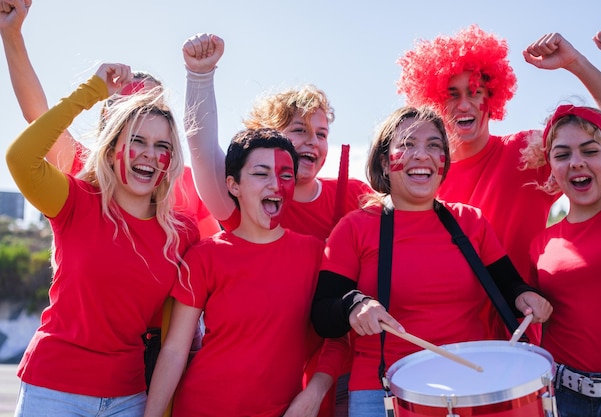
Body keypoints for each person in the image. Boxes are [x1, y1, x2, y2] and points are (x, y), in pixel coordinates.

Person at [310, 106, 553, 417]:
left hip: (472, 388)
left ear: (444, 162)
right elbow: (323, 312)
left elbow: (509, 285)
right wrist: (354, 305)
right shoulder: (354, 228)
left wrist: (526, 296)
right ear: (385, 161)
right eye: (408, 144)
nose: (422, 155)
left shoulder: (471, 221)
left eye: (434, 145)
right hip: (383, 392)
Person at [396, 25, 601, 342]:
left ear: (492, 98)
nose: (464, 104)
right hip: (441, 349)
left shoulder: (524, 154)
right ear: (434, 102)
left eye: (475, 92)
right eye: (452, 95)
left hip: (518, 346)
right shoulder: (419, 179)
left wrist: (575, 63)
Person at [182, 32, 370, 416]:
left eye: (321, 134)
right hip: (270, 388)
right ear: (268, 136)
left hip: (344, 373)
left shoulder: (354, 194)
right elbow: (203, 153)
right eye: (298, 130)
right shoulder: (246, 203)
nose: (312, 143)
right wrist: (200, 77)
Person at [6, 62, 199, 416]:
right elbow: (20, 157)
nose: (148, 154)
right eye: (136, 141)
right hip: (53, 390)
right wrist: (91, 92)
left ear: (170, 160)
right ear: (112, 150)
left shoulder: (182, 232)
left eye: (161, 146)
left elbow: (177, 337)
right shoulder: (74, 199)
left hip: (129, 397)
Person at [143, 128, 348, 417]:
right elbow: (175, 351)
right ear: (233, 185)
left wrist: (314, 392)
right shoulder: (204, 256)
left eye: (285, 175)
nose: (276, 185)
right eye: (261, 173)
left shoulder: (317, 255)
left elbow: (339, 337)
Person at [0, 0, 221, 239]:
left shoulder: (191, 183)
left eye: (152, 108)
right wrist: (11, 33)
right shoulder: (85, 169)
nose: (143, 117)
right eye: (130, 108)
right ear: (108, 116)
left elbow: (211, 260)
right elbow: (37, 115)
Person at [529, 105, 601, 417]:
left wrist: (577, 63)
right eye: (562, 154)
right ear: (552, 167)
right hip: (563, 399)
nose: (576, 162)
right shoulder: (540, 244)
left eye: (590, 150)